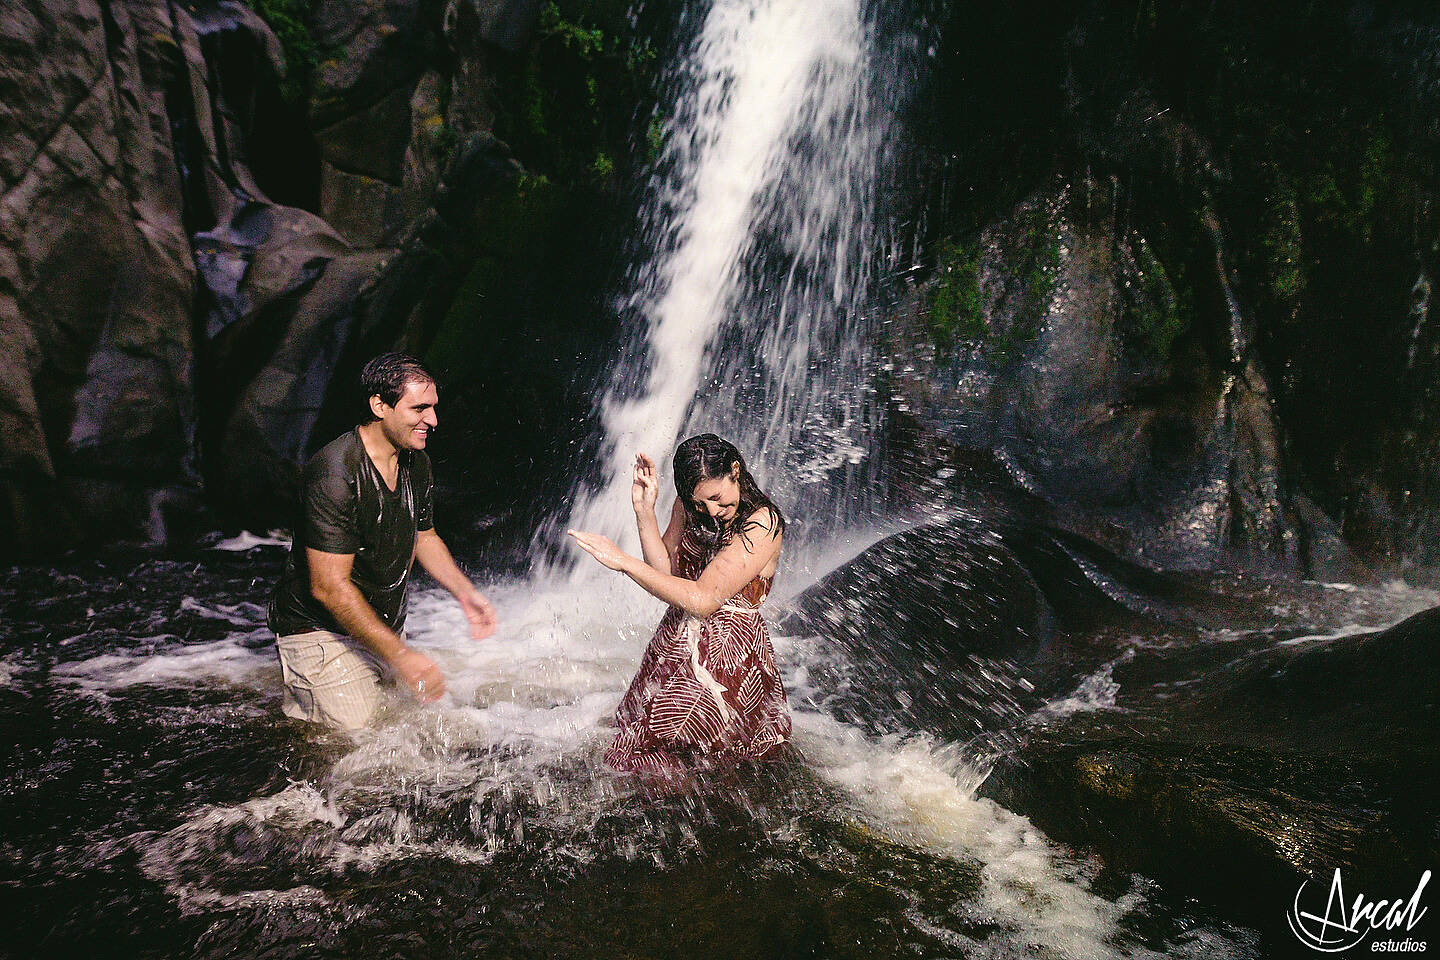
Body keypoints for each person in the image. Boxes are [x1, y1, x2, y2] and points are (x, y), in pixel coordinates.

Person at [267, 353, 496, 730]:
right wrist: (403, 656)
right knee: (355, 748)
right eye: (419, 408)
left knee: (405, 738)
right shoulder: (335, 473)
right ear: (379, 405)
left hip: (378, 624)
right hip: (319, 632)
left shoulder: (414, 462)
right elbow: (328, 587)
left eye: (434, 408)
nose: (433, 421)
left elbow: (425, 537)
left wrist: (465, 592)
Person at [568, 434, 791, 773]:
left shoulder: (763, 524)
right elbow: (666, 573)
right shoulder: (692, 506)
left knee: (703, 763)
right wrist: (644, 513)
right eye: (702, 505)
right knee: (638, 751)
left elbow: (702, 600)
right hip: (674, 643)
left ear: (736, 470)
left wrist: (624, 562)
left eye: (717, 499)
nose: (713, 512)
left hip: (727, 657)